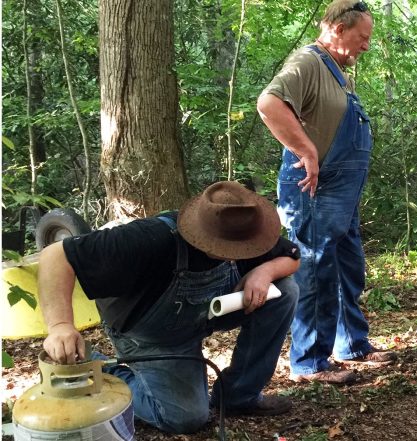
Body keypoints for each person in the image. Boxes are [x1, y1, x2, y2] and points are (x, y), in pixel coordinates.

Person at [38, 181, 301, 434]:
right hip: (149, 334)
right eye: (237, 249)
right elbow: (56, 255)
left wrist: (264, 272)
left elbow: (291, 257)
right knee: (185, 418)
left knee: (284, 292)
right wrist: (60, 326)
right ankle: (95, 366)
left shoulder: (245, 226)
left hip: (208, 312)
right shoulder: (150, 238)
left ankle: (237, 396)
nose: (247, 252)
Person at [256, 0, 395, 385]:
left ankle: (350, 343)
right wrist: (305, 150)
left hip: (341, 194)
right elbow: (269, 104)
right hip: (314, 188)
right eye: (361, 37)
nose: (366, 45)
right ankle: (309, 361)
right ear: (336, 27)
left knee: (348, 265)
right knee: (315, 267)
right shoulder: (309, 62)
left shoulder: (337, 74)